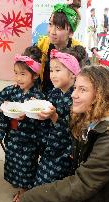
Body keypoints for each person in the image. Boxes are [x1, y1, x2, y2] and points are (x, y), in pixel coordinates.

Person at [21, 65, 109, 202]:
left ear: (101, 94)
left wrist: (31, 198)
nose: (74, 94)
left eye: (83, 89)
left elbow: (84, 182)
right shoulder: (91, 115)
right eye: (75, 88)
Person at [0, 45, 46, 202]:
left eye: (23, 74)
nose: (18, 78)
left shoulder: (38, 96)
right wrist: (5, 108)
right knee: (12, 159)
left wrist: (32, 112)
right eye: (16, 73)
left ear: (35, 75)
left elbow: (43, 118)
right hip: (13, 135)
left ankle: (25, 189)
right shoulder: (11, 90)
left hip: (29, 139)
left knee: (27, 163)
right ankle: (18, 182)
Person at [34, 46, 86, 186]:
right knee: (42, 176)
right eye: (51, 70)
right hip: (50, 144)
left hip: (65, 150)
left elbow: (74, 127)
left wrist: (54, 116)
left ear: (73, 74)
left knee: (57, 182)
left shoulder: (76, 97)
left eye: (58, 70)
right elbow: (47, 109)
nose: (53, 75)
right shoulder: (54, 92)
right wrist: (38, 106)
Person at [36, 3, 81, 95]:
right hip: (42, 94)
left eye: (58, 28)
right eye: (50, 24)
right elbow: (28, 65)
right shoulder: (42, 44)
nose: (52, 32)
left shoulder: (77, 50)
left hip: (66, 98)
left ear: (71, 33)